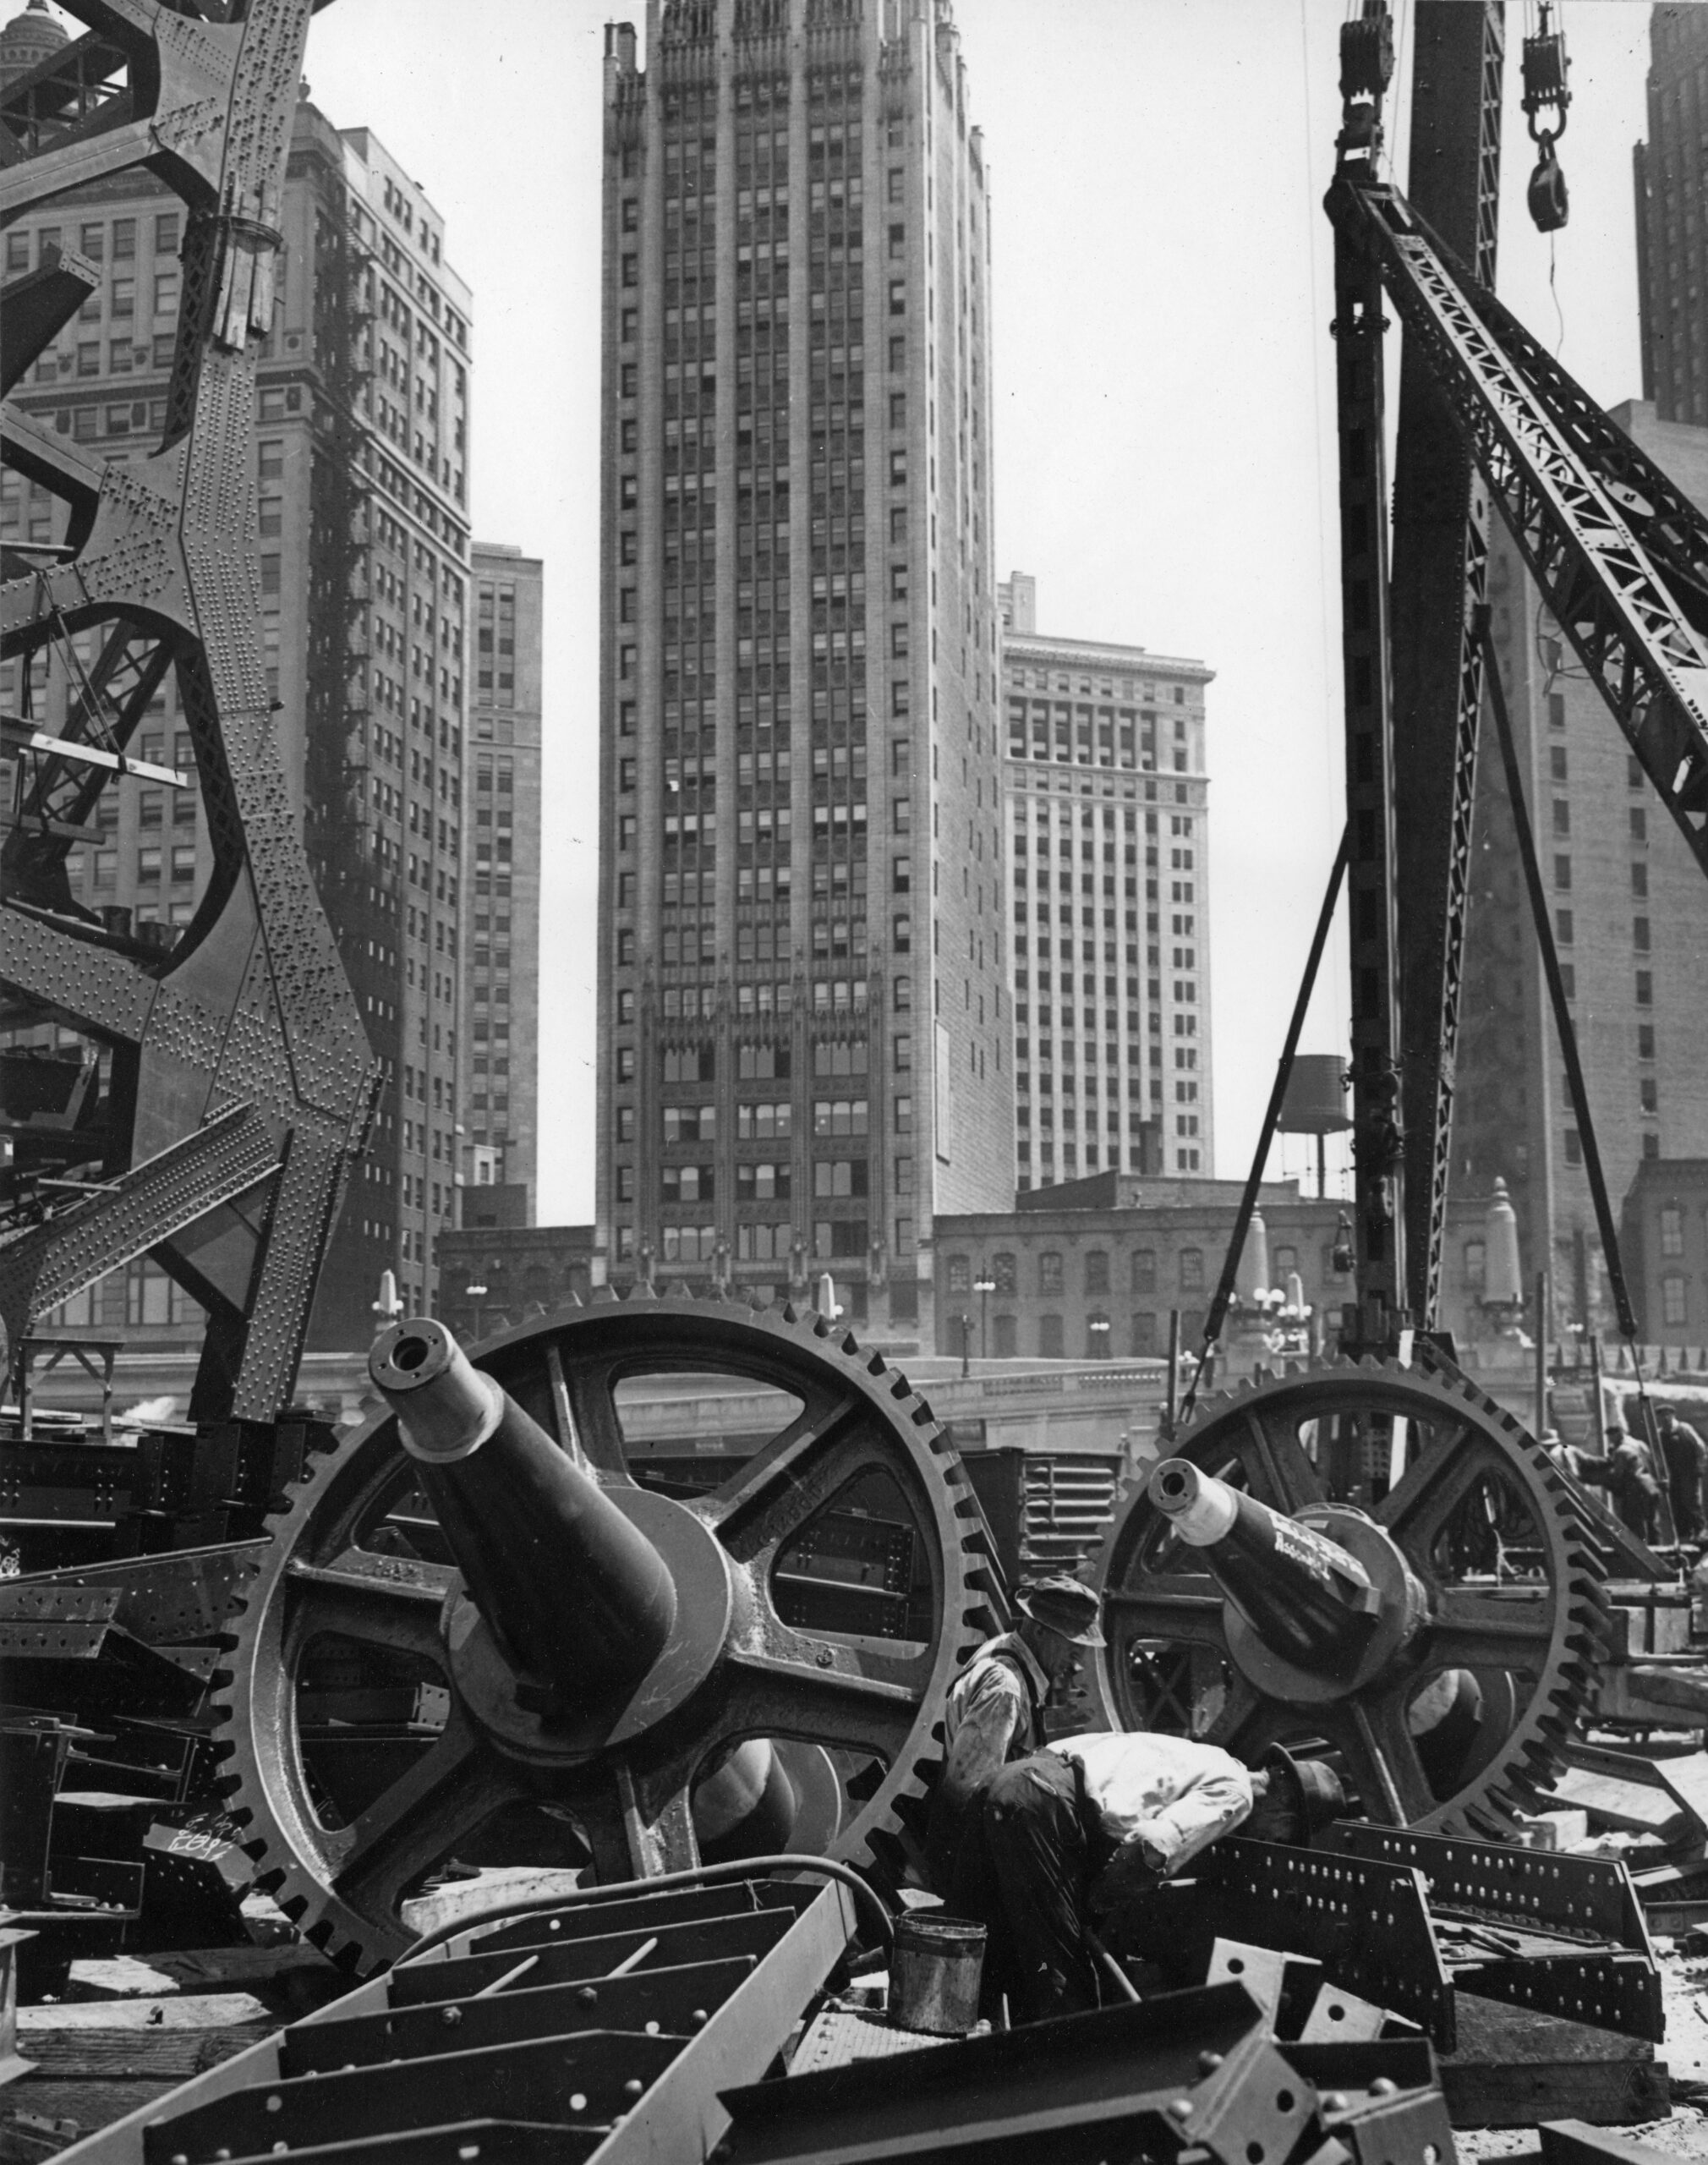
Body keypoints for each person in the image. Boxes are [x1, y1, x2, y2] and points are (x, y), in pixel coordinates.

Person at [966, 1734, 1345, 2024]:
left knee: (982, 1952)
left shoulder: (1211, 1757)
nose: (1269, 1841)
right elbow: (1153, 1846)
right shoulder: (1237, 1794)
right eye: (1281, 1834)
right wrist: (1101, 1898)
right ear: (1285, 1809)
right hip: (1040, 1804)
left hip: (1005, 1783)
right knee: (1063, 1986)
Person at [926, 1574, 1104, 1896]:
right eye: (1072, 1644)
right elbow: (968, 1791)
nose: (1078, 1661)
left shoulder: (1004, 1647)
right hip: (964, 1859)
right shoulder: (1006, 1688)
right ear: (1038, 1630)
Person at [1601, 1420, 1664, 1543]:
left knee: (1634, 1523)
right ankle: (1658, 1549)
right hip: (1650, 1486)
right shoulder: (1639, 1444)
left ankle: (1641, 1552)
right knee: (1652, 1522)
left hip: (1635, 1490)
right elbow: (1652, 1463)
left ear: (1617, 1434)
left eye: (1611, 1437)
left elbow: (1618, 1475)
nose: (1610, 1440)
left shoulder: (1621, 1451)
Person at [1656, 1407, 1708, 1543]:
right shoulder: (1659, 1434)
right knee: (1676, 1503)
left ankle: (1700, 1532)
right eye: (1662, 1416)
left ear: (1673, 1415)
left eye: (1668, 1415)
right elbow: (1656, 1455)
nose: (1665, 1418)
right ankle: (1684, 1535)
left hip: (1689, 1472)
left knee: (1692, 1501)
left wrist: (1700, 1466)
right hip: (1673, 1474)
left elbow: (1700, 1447)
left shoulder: (1685, 1429)